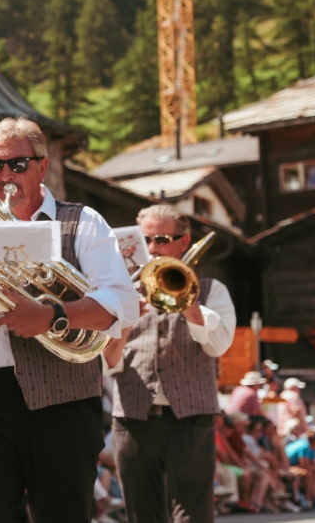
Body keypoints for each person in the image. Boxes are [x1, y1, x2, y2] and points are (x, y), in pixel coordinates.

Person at [0, 118, 138, 522]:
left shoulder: (82, 222)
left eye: (17, 165)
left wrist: (51, 315)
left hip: (63, 406)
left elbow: (123, 303)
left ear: (43, 165)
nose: (4, 176)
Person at [101, 205, 236, 523]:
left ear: (184, 242)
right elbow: (106, 362)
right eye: (144, 239)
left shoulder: (212, 291)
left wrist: (190, 305)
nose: (152, 248)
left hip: (191, 418)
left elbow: (219, 344)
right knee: (142, 513)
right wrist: (126, 321)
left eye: (161, 239)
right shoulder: (122, 293)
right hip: (133, 417)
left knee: (193, 514)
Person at [286, 430, 315, 510]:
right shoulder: (304, 446)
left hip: (295, 466)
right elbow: (305, 466)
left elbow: (312, 462)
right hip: (287, 467)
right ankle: (309, 498)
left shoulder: (311, 447)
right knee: (309, 474)